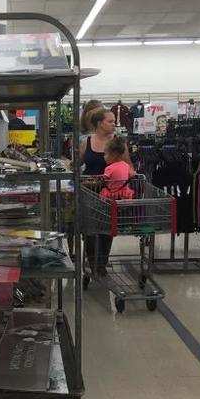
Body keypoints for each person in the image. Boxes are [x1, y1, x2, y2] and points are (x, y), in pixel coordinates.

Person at [79, 108, 131, 276]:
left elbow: (128, 165)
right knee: (89, 230)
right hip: (89, 191)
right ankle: (93, 262)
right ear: (100, 123)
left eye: (114, 121)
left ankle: (101, 264)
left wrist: (131, 175)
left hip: (111, 193)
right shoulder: (86, 142)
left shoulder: (118, 143)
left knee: (107, 229)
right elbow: (76, 164)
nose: (114, 123)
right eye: (110, 121)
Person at [101, 136, 135, 201]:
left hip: (111, 195)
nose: (104, 157)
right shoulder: (126, 165)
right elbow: (131, 175)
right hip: (124, 194)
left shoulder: (109, 168)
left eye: (105, 154)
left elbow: (103, 180)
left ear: (114, 155)